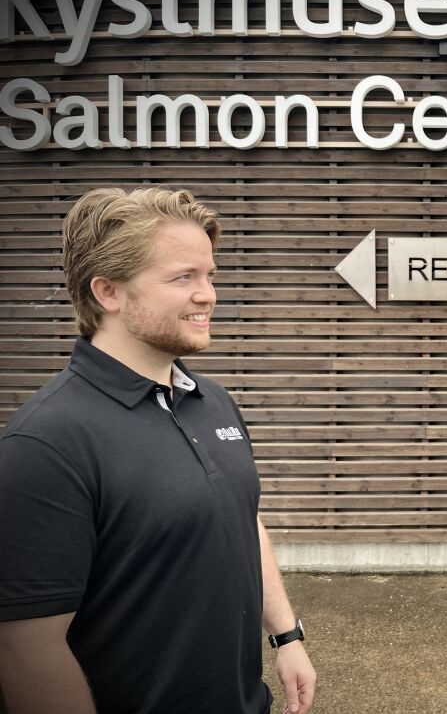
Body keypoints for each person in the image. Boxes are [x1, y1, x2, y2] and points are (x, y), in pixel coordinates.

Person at [0, 189, 317, 714]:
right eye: (183, 277)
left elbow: (241, 517)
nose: (208, 294)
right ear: (108, 292)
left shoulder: (211, 400)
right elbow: (25, 648)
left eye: (210, 275)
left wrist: (286, 635)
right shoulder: (48, 441)